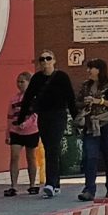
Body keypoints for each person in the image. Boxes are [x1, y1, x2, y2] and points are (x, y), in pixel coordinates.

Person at [76, 58, 108, 202]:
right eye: (88, 68)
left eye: (92, 68)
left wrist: (100, 101)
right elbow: (76, 102)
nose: (89, 71)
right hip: (91, 125)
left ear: (99, 70)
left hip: (107, 125)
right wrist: (83, 103)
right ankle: (89, 189)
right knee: (90, 157)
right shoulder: (85, 86)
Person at [29, 52, 76, 197]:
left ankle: (49, 183)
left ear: (54, 61)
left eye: (48, 58)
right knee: (49, 147)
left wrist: (76, 118)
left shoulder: (62, 77)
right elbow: (28, 96)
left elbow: (70, 97)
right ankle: (55, 183)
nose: (45, 61)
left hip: (59, 115)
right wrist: (22, 116)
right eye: (42, 59)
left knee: (53, 147)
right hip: (43, 116)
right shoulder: (37, 78)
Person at [6, 72, 42, 196]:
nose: (19, 84)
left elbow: (36, 115)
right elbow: (10, 117)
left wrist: (25, 124)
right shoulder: (14, 99)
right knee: (14, 156)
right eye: (18, 81)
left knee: (30, 157)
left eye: (22, 82)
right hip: (16, 131)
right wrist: (8, 133)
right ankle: (13, 186)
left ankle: (32, 184)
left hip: (31, 131)